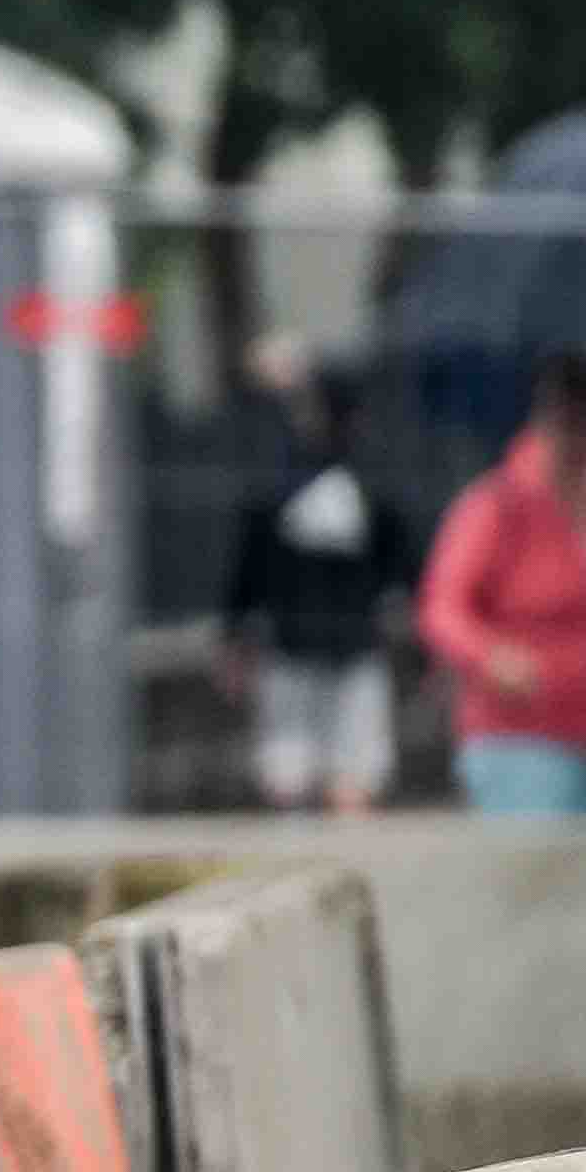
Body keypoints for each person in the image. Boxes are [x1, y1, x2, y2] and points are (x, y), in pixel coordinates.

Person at [420, 346, 586, 817]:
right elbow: (442, 608)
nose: (581, 434)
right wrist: (489, 657)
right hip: (523, 742)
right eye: (570, 419)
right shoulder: (497, 507)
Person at [215, 342, 413, 819]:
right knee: (316, 781)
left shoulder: (297, 484)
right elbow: (403, 577)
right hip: (311, 653)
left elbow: (248, 573)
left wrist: (234, 640)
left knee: (320, 783)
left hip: (327, 652)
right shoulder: (368, 486)